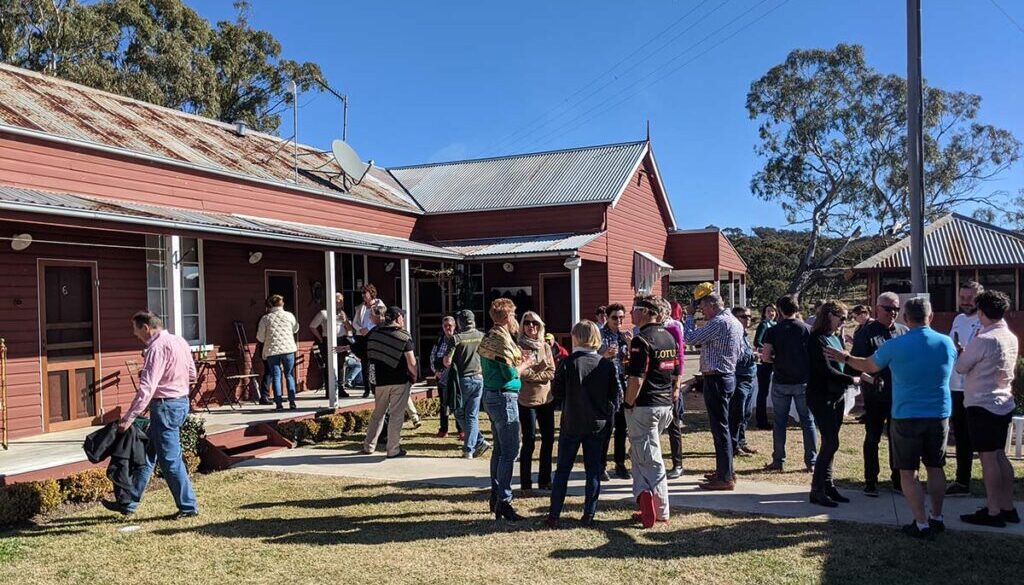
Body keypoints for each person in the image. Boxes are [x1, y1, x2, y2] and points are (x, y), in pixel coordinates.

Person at [826, 298, 957, 539]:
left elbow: (868, 365)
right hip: (939, 413)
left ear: (905, 318)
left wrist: (843, 356)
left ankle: (921, 522)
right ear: (931, 316)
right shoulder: (947, 343)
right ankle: (937, 517)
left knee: (908, 472)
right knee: (936, 467)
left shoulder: (896, 345)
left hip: (907, 414)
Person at [106, 311, 198, 518]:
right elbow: (192, 373)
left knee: (170, 460)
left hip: (165, 406)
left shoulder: (155, 348)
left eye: (136, 330)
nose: (135, 335)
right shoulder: (180, 341)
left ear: (146, 327)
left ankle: (188, 506)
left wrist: (129, 417)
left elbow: (147, 388)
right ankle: (129, 502)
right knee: (148, 456)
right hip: (180, 402)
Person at [954, 290, 1020, 527]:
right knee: (1000, 455)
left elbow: (961, 367)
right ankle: (1007, 506)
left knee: (988, 458)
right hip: (1003, 402)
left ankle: (993, 511)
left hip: (982, 403)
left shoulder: (984, 339)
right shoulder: (1009, 336)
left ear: (982, 312)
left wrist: (962, 352)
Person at [546, 320, 620, 528]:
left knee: (563, 470)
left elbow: (557, 394)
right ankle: (589, 514)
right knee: (593, 470)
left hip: (572, 421)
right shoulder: (605, 364)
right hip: (597, 423)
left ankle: (554, 514)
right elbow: (615, 395)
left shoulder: (568, 363)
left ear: (576, 337)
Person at [478, 298, 535, 521]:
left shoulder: (490, 336)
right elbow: (510, 374)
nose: (515, 320)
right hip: (504, 397)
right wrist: (526, 364)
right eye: (513, 315)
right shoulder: (501, 341)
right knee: (510, 451)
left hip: (492, 395)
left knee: (500, 450)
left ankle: (496, 494)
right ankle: (504, 500)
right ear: (505, 317)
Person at [625, 295, 679, 526]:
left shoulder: (641, 340)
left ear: (648, 312)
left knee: (651, 458)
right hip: (665, 404)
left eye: (635, 309)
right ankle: (644, 498)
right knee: (640, 454)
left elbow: (636, 379)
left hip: (645, 406)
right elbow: (674, 372)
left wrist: (628, 403)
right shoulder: (669, 337)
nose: (631, 313)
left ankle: (661, 509)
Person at [684, 292, 745, 490]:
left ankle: (725, 477)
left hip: (717, 378)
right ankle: (725, 471)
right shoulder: (734, 321)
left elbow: (690, 338)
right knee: (723, 427)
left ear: (711, 305)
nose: (702, 312)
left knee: (720, 429)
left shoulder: (718, 322)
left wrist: (690, 316)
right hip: (727, 376)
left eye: (702, 308)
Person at [849, 292, 907, 496]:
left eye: (896, 309)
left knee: (897, 438)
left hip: (899, 395)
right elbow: (855, 364)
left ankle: (898, 479)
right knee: (873, 437)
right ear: (877, 309)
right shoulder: (867, 333)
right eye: (889, 309)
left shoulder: (903, 331)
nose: (893, 313)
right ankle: (871, 480)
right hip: (875, 395)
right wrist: (871, 378)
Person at [806, 300, 858, 507]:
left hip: (836, 395)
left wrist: (857, 372)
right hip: (821, 396)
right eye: (842, 318)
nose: (844, 322)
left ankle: (828, 485)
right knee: (831, 442)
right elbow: (824, 370)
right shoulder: (817, 339)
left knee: (832, 442)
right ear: (829, 315)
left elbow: (844, 363)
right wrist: (851, 380)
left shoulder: (835, 338)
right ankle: (817, 489)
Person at [761, 294, 817, 473]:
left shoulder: (773, 331)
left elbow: (765, 357)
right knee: (807, 422)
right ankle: (812, 461)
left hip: (781, 381)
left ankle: (778, 460)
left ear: (779, 310)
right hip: (803, 382)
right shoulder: (808, 329)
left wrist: (777, 360)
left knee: (779, 422)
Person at [361, 305, 417, 458]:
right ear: (397, 318)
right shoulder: (403, 336)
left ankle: (368, 446)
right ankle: (393, 449)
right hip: (399, 381)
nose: (403, 320)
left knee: (377, 414)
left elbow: (369, 359)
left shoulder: (374, 333)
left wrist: (372, 383)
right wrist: (414, 376)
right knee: (396, 415)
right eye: (402, 317)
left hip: (379, 381)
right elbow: (411, 362)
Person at [947, 281, 984, 497]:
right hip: (955, 385)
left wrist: (966, 351)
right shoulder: (958, 319)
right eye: (962, 297)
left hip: (975, 387)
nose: (965, 302)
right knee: (960, 435)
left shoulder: (985, 321)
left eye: (970, 298)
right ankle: (962, 481)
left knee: (977, 438)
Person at [517, 311, 557, 494]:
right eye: (527, 323)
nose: (531, 326)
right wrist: (537, 375)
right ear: (522, 326)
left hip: (546, 399)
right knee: (529, 440)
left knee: (548, 440)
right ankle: (525, 482)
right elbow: (520, 372)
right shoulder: (518, 346)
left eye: (534, 323)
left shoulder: (545, 346)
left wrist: (534, 375)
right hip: (526, 400)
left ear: (540, 326)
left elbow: (551, 371)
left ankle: (545, 479)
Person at [444, 310, 489, 458]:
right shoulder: (482, 336)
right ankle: (477, 442)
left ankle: (470, 447)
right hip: (478, 377)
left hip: (462, 380)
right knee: (472, 415)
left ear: (460, 322)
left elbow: (447, 361)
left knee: (458, 411)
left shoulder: (456, 338)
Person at [598, 302, 631, 481]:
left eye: (621, 317)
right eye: (614, 317)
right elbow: (592, 358)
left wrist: (629, 343)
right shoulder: (600, 335)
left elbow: (632, 360)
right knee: (606, 427)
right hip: (606, 385)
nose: (618, 321)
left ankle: (620, 464)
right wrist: (605, 355)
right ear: (607, 318)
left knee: (622, 427)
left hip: (622, 384)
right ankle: (600, 465)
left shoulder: (623, 336)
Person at [257, 294, 300, 411]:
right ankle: (292, 402)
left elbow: (260, 337)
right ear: (282, 304)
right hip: (288, 349)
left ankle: (279, 403)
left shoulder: (265, 319)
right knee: (289, 375)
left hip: (272, 350)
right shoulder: (289, 315)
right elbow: (295, 329)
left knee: (276, 376)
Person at [309, 292, 354, 399]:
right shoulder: (324, 313)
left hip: (341, 340)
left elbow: (350, 330)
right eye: (339, 300)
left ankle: (340, 388)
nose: (341, 302)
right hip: (328, 340)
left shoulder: (343, 314)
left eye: (342, 300)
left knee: (341, 364)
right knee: (329, 365)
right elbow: (312, 326)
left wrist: (345, 320)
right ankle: (330, 390)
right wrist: (320, 338)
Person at [660, 299, 686, 480]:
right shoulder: (643, 329)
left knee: (673, 423)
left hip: (670, 379)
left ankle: (678, 463)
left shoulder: (674, 328)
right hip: (654, 381)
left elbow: (680, 356)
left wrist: (677, 384)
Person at [729, 307, 758, 458]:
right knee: (737, 413)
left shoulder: (744, 335)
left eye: (749, 317)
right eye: (744, 317)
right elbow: (735, 356)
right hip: (739, 378)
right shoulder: (734, 335)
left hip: (749, 377)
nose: (747, 320)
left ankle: (741, 441)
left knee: (746, 413)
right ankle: (733, 445)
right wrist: (753, 356)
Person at [430, 316, 461, 438]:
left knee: (458, 403)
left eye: (450, 325)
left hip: (455, 376)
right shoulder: (439, 340)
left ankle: (461, 430)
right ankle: (444, 430)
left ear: (455, 326)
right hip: (441, 375)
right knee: (443, 404)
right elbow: (432, 356)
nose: (447, 328)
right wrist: (436, 371)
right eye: (445, 326)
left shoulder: (458, 339)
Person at [352, 284, 381, 398]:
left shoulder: (379, 304)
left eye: (365, 293)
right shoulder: (361, 307)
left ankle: (375, 387)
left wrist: (367, 329)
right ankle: (366, 388)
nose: (363, 295)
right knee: (365, 363)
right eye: (362, 293)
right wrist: (360, 329)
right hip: (362, 337)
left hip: (374, 336)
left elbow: (379, 320)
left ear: (371, 293)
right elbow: (354, 322)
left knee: (374, 363)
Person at [753, 303, 778, 429]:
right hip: (765, 361)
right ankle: (761, 420)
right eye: (768, 311)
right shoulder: (764, 324)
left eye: (773, 311)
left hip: (775, 361)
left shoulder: (776, 324)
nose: (771, 313)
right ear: (764, 313)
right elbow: (757, 341)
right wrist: (769, 350)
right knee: (763, 391)